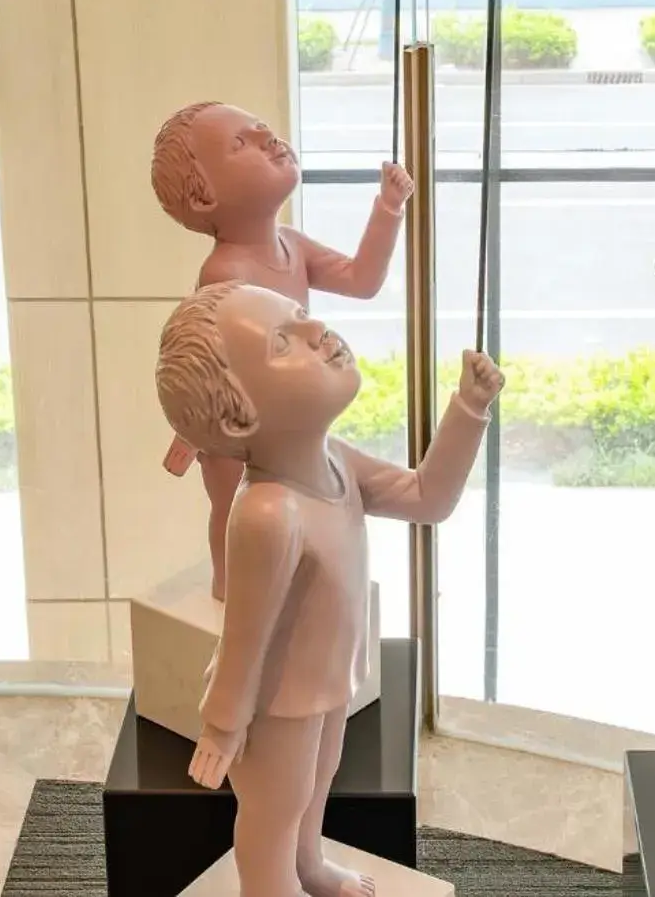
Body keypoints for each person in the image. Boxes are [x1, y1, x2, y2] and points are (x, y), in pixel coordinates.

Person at [156, 281, 501, 897]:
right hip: (272, 703)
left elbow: (428, 498)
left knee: (317, 782)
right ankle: (272, 888)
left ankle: (308, 867)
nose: (320, 334)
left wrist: (469, 408)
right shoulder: (267, 513)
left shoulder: (337, 460)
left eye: (303, 317)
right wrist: (223, 724)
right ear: (239, 413)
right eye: (283, 342)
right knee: (273, 808)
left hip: (327, 680)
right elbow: (244, 634)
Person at [151, 101, 413, 599]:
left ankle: (281, 578)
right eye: (241, 142)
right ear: (205, 196)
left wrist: (389, 210)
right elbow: (213, 355)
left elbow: (361, 280)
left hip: (284, 409)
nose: (265, 133)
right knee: (233, 502)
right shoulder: (225, 274)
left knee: (288, 501)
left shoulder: (291, 244)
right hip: (238, 413)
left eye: (259, 127)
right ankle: (233, 586)